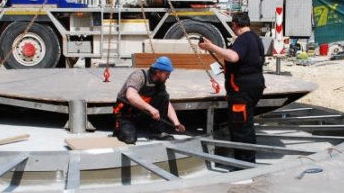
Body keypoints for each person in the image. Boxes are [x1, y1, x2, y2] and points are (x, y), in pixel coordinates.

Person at [198, 11, 265, 164]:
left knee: (240, 129)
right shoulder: (255, 38)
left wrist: (212, 47)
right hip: (255, 87)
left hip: (241, 91)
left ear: (235, 24)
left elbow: (234, 56)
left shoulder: (243, 39)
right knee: (246, 125)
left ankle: (244, 165)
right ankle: (246, 162)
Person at [113, 56, 185, 144]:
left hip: (141, 113)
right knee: (130, 138)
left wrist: (176, 123)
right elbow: (131, 95)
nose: (168, 76)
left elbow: (166, 103)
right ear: (158, 72)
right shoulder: (139, 76)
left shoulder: (160, 83)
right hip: (125, 114)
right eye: (167, 74)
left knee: (163, 95)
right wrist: (151, 109)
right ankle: (119, 128)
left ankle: (157, 133)